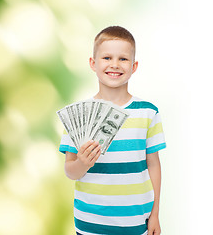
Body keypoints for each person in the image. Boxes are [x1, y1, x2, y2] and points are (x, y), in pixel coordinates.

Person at [58, 26, 166, 235]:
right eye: (106, 57)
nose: (114, 64)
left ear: (134, 66)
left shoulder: (148, 112)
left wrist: (155, 214)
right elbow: (70, 172)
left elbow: (154, 164)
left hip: (136, 221)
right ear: (93, 63)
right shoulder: (78, 116)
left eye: (123, 59)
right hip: (90, 222)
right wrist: (82, 163)